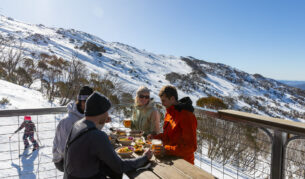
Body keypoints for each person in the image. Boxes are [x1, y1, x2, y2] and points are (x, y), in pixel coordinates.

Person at [63, 91, 152, 179]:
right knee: (117, 171)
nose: (107, 115)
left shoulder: (78, 124)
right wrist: (144, 158)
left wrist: (100, 121)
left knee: (113, 172)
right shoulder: (97, 135)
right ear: (100, 113)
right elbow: (120, 166)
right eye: (106, 112)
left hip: (71, 176)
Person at [148, 85, 197, 164]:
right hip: (169, 158)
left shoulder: (187, 116)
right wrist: (155, 138)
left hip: (184, 162)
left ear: (172, 99)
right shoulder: (170, 112)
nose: (162, 104)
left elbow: (191, 147)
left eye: (164, 101)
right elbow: (168, 136)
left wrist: (166, 149)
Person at [52, 86, 94, 172]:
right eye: (86, 102)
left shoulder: (88, 116)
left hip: (78, 152)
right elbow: (63, 150)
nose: (89, 105)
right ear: (80, 101)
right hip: (62, 159)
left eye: (92, 102)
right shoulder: (68, 121)